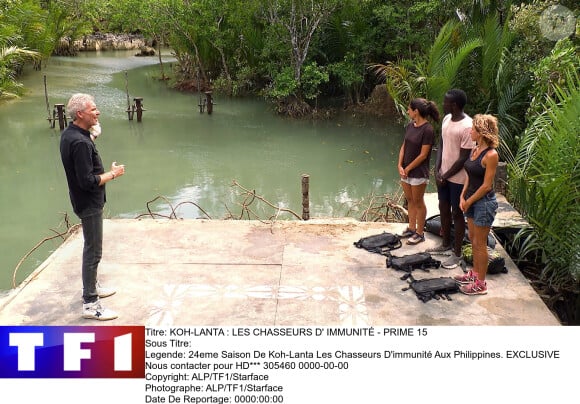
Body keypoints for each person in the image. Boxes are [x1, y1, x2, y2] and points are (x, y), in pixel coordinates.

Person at [60, 93, 125, 320]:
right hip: (89, 203)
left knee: (92, 248)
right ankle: (90, 303)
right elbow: (87, 181)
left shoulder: (72, 134)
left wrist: (92, 136)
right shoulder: (79, 142)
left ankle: (92, 286)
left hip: (82, 200)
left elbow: (82, 162)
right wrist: (113, 174)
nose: (98, 113)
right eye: (93, 110)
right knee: (93, 251)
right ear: (80, 114)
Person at [454, 114, 499, 295]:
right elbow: (469, 177)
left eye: (473, 129)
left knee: (480, 244)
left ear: (481, 132)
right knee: (473, 240)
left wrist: (470, 200)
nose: (470, 131)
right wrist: (462, 197)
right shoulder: (474, 150)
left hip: (484, 203)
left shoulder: (491, 155)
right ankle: (474, 274)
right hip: (471, 200)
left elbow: (486, 185)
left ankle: (481, 283)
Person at [431, 89, 474, 267]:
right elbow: (441, 144)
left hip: (458, 179)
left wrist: (446, 174)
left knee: (457, 213)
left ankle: (457, 253)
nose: (443, 104)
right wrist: (437, 168)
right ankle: (445, 243)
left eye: (446, 102)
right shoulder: (447, 119)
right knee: (443, 208)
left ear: (454, 105)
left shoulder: (468, 126)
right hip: (443, 175)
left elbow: (464, 157)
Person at [397, 98, 440, 245]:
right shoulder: (410, 125)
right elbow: (404, 146)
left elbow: (423, 155)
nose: (407, 111)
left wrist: (408, 168)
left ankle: (420, 233)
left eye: (409, 109)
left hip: (418, 172)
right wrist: (400, 165)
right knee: (409, 200)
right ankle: (411, 227)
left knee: (418, 201)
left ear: (416, 111)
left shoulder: (427, 130)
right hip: (406, 171)